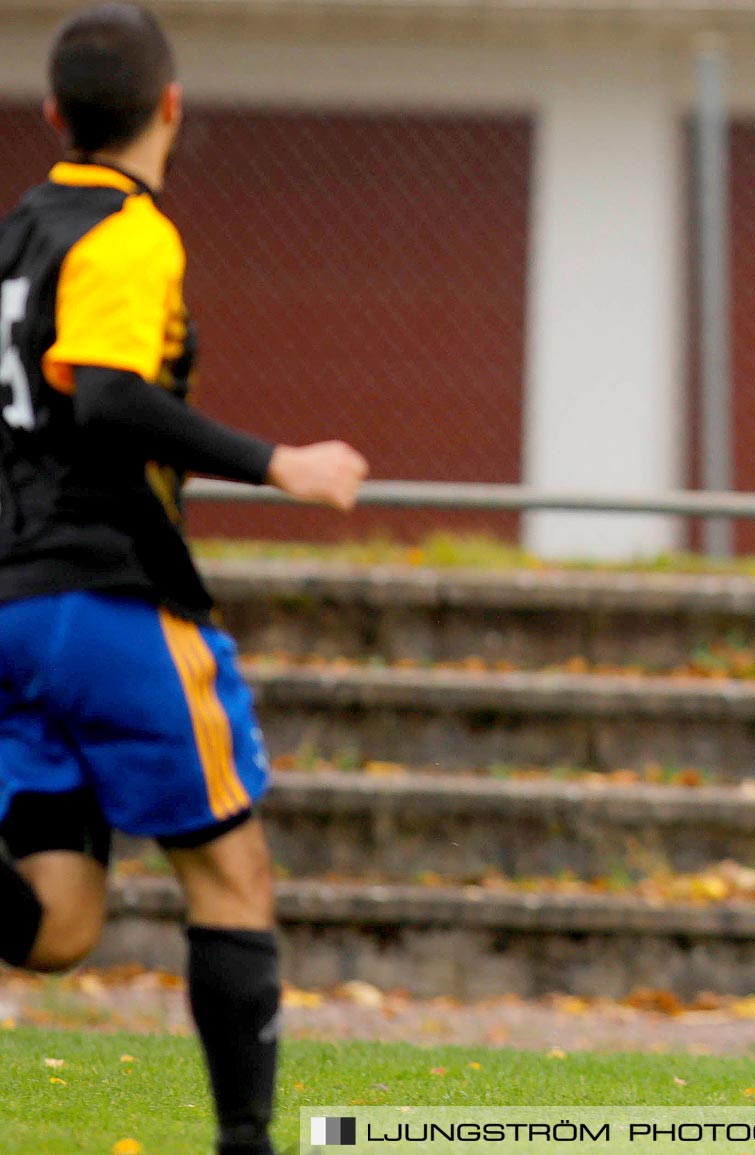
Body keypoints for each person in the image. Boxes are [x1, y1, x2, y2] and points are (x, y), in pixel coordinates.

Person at [0, 6, 368, 1153]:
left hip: (11, 605)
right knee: (234, 876)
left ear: (55, 112)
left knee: (58, 925)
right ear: (170, 105)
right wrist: (281, 464)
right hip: (104, 600)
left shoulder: (16, 237)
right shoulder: (128, 230)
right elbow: (108, 397)